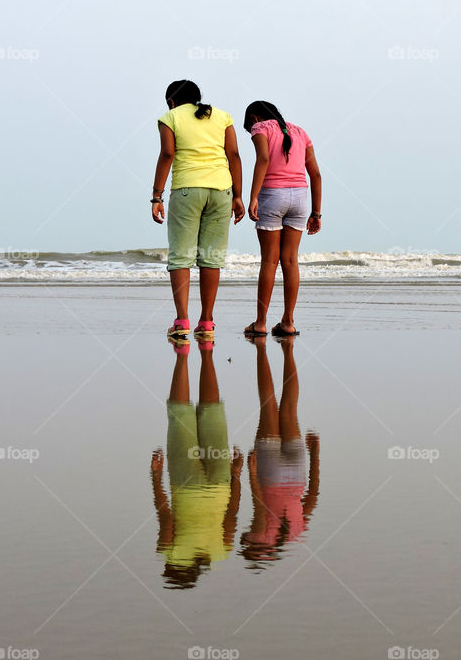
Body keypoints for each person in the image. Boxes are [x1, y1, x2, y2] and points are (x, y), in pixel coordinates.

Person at [151, 80, 245, 343]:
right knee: (211, 257)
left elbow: (167, 154)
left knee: (181, 257)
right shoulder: (222, 116)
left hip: (186, 189)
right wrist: (238, 195)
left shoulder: (169, 117)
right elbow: (234, 155)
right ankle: (206, 322)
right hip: (221, 190)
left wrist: (156, 196)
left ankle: (181, 321)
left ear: (171, 101)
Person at [151, 341, 242, 589]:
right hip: (186, 485)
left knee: (212, 413)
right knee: (180, 413)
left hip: (220, 485)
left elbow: (232, 513)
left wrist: (236, 476)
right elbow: (166, 516)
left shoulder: (220, 552)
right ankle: (182, 352)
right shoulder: (171, 552)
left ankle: (207, 348)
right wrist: (156, 478)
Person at [241, 101, 321, 338]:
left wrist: (253, 196)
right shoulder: (300, 131)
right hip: (300, 198)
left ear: (254, 118)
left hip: (273, 195)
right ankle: (287, 322)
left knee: (269, 261)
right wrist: (316, 213)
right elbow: (315, 173)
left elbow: (263, 159)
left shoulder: (261, 128)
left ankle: (261, 323)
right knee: (290, 261)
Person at [240, 334, 319, 567]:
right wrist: (251, 472)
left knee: (289, 408)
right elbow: (259, 506)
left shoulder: (295, 534)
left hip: (296, 476)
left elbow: (312, 497)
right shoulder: (261, 536)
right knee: (268, 404)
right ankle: (261, 350)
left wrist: (315, 454)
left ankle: (288, 350)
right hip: (270, 476)